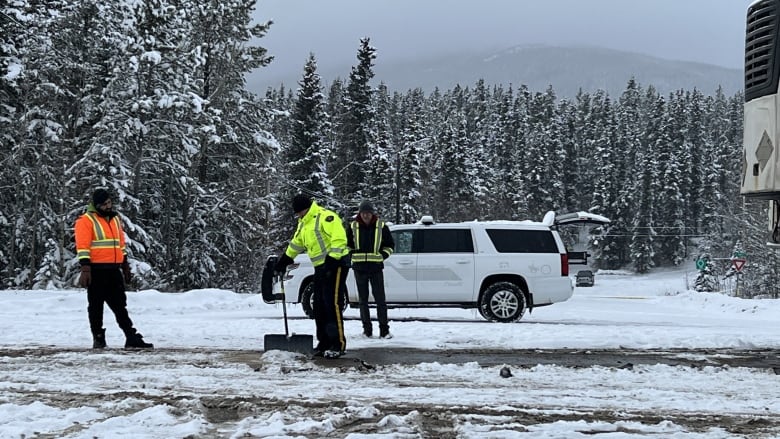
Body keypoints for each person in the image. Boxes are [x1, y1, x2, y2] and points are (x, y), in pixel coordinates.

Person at [74, 188, 153, 349]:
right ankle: (98, 337)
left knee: (120, 305)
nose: (108, 206)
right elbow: (82, 246)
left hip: (113, 269)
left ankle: (131, 336)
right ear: (96, 205)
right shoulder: (86, 221)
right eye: (104, 204)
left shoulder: (115, 219)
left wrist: (124, 264)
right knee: (96, 306)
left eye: (109, 203)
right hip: (96, 271)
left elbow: (120, 243)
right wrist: (85, 268)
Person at [274, 194, 349, 358]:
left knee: (332, 304)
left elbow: (340, 239)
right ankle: (324, 343)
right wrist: (283, 261)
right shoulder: (304, 224)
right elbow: (296, 244)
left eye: (300, 212)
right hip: (321, 267)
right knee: (319, 305)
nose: (298, 215)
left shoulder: (326, 217)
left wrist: (332, 260)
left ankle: (338, 344)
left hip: (336, 265)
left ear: (306, 208)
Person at [347, 201, 395, 338]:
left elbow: (390, 245)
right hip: (359, 268)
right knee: (363, 301)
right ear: (360, 213)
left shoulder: (381, 226)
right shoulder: (352, 227)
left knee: (380, 300)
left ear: (372, 213)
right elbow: (346, 245)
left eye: (368, 213)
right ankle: (367, 330)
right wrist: (351, 254)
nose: (366, 216)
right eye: (363, 213)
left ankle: (384, 330)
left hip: (376, 267)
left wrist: (383, 255)